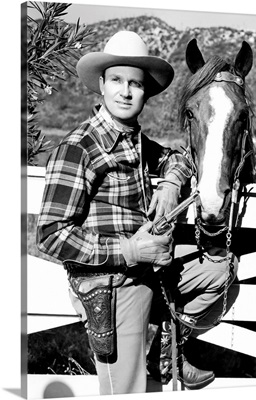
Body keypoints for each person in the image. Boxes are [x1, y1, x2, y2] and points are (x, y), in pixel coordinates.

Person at [37, 30, 238, 395]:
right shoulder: (79, 148)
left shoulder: (137, 143)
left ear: (147, 92)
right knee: (127, 392)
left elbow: (179, 157)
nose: (126, 91)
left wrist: (170, 183)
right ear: (101, 84)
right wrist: (130, 250)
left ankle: (163, 349)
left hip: (149, 271)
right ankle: (158, 351)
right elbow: (50, 235)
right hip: (114, 285)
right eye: (117, 80)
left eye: (136, 83)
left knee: (220, 273)